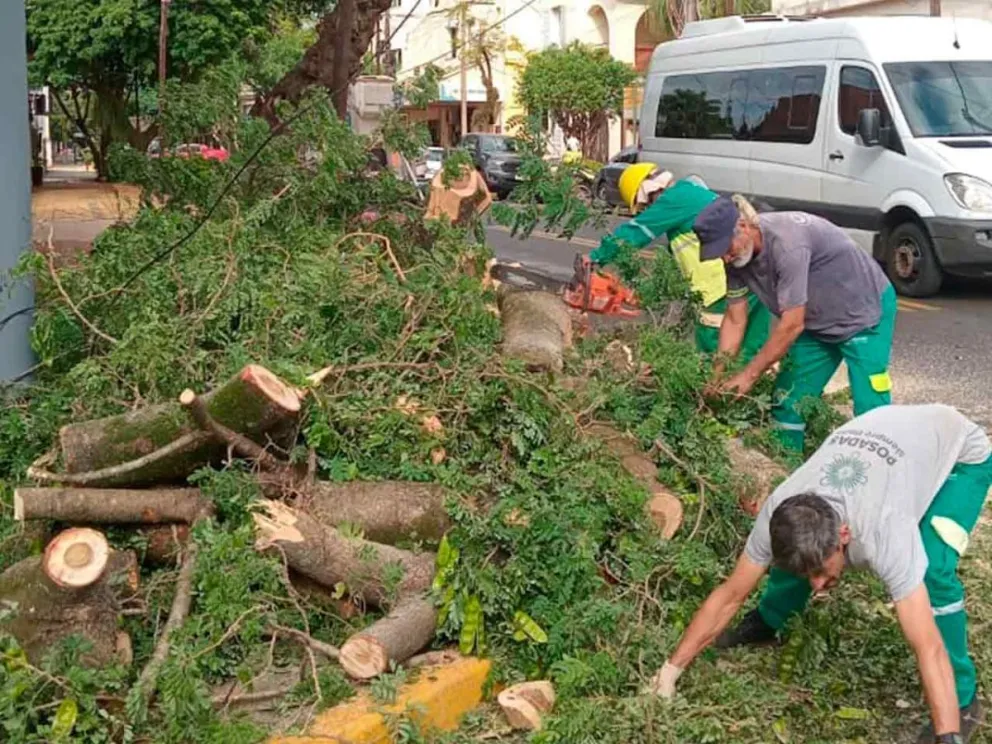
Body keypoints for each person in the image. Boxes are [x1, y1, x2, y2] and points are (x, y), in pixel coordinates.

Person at [648, 404, 992, 744]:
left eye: (822, 572)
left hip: (959, 459)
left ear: (844, 535)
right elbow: (730, 595)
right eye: (811, 576)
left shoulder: (884, 530)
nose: (817, 587)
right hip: (889, 435)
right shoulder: (778, 512)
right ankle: (771, 620)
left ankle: (962, 701)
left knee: (933, 570)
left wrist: (947, 738)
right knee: (797, 554)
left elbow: (928, 646)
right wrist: (670, 671)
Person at [694, 196, 897, 451]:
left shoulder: (788, 244)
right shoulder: (736, 260)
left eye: (725, 247)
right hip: (815, 324)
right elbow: (735, 318)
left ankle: (876, 477)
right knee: (787, 402)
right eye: (717, 253)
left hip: (862, 312)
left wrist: (748, 375)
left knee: (870, 406)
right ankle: (785, 474)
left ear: (743, 227)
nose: (724, 258)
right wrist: (717, 374)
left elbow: (791, 325)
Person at [588, 165, 771, 360]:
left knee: (715, 353)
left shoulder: (674, 199)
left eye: (646, 205)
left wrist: (595, 258)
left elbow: (636, 231)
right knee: (752, 352)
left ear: (650, 190)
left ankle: (717, 388)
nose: (649, 210)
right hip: (753, 282)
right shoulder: (694, 195)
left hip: (719, 291)